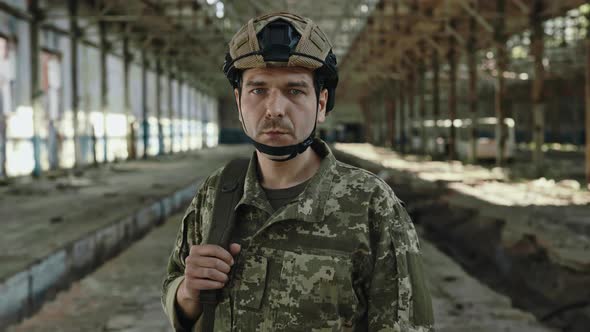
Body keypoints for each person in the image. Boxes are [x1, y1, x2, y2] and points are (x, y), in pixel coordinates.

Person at [161, 12, 434, 331]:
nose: (274, 108)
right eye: (258, 90)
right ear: (238, 102)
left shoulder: (371, 206)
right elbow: (176, 288)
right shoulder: (217, 193)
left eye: (294, 91)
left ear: (321, 104)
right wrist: (188, 292)